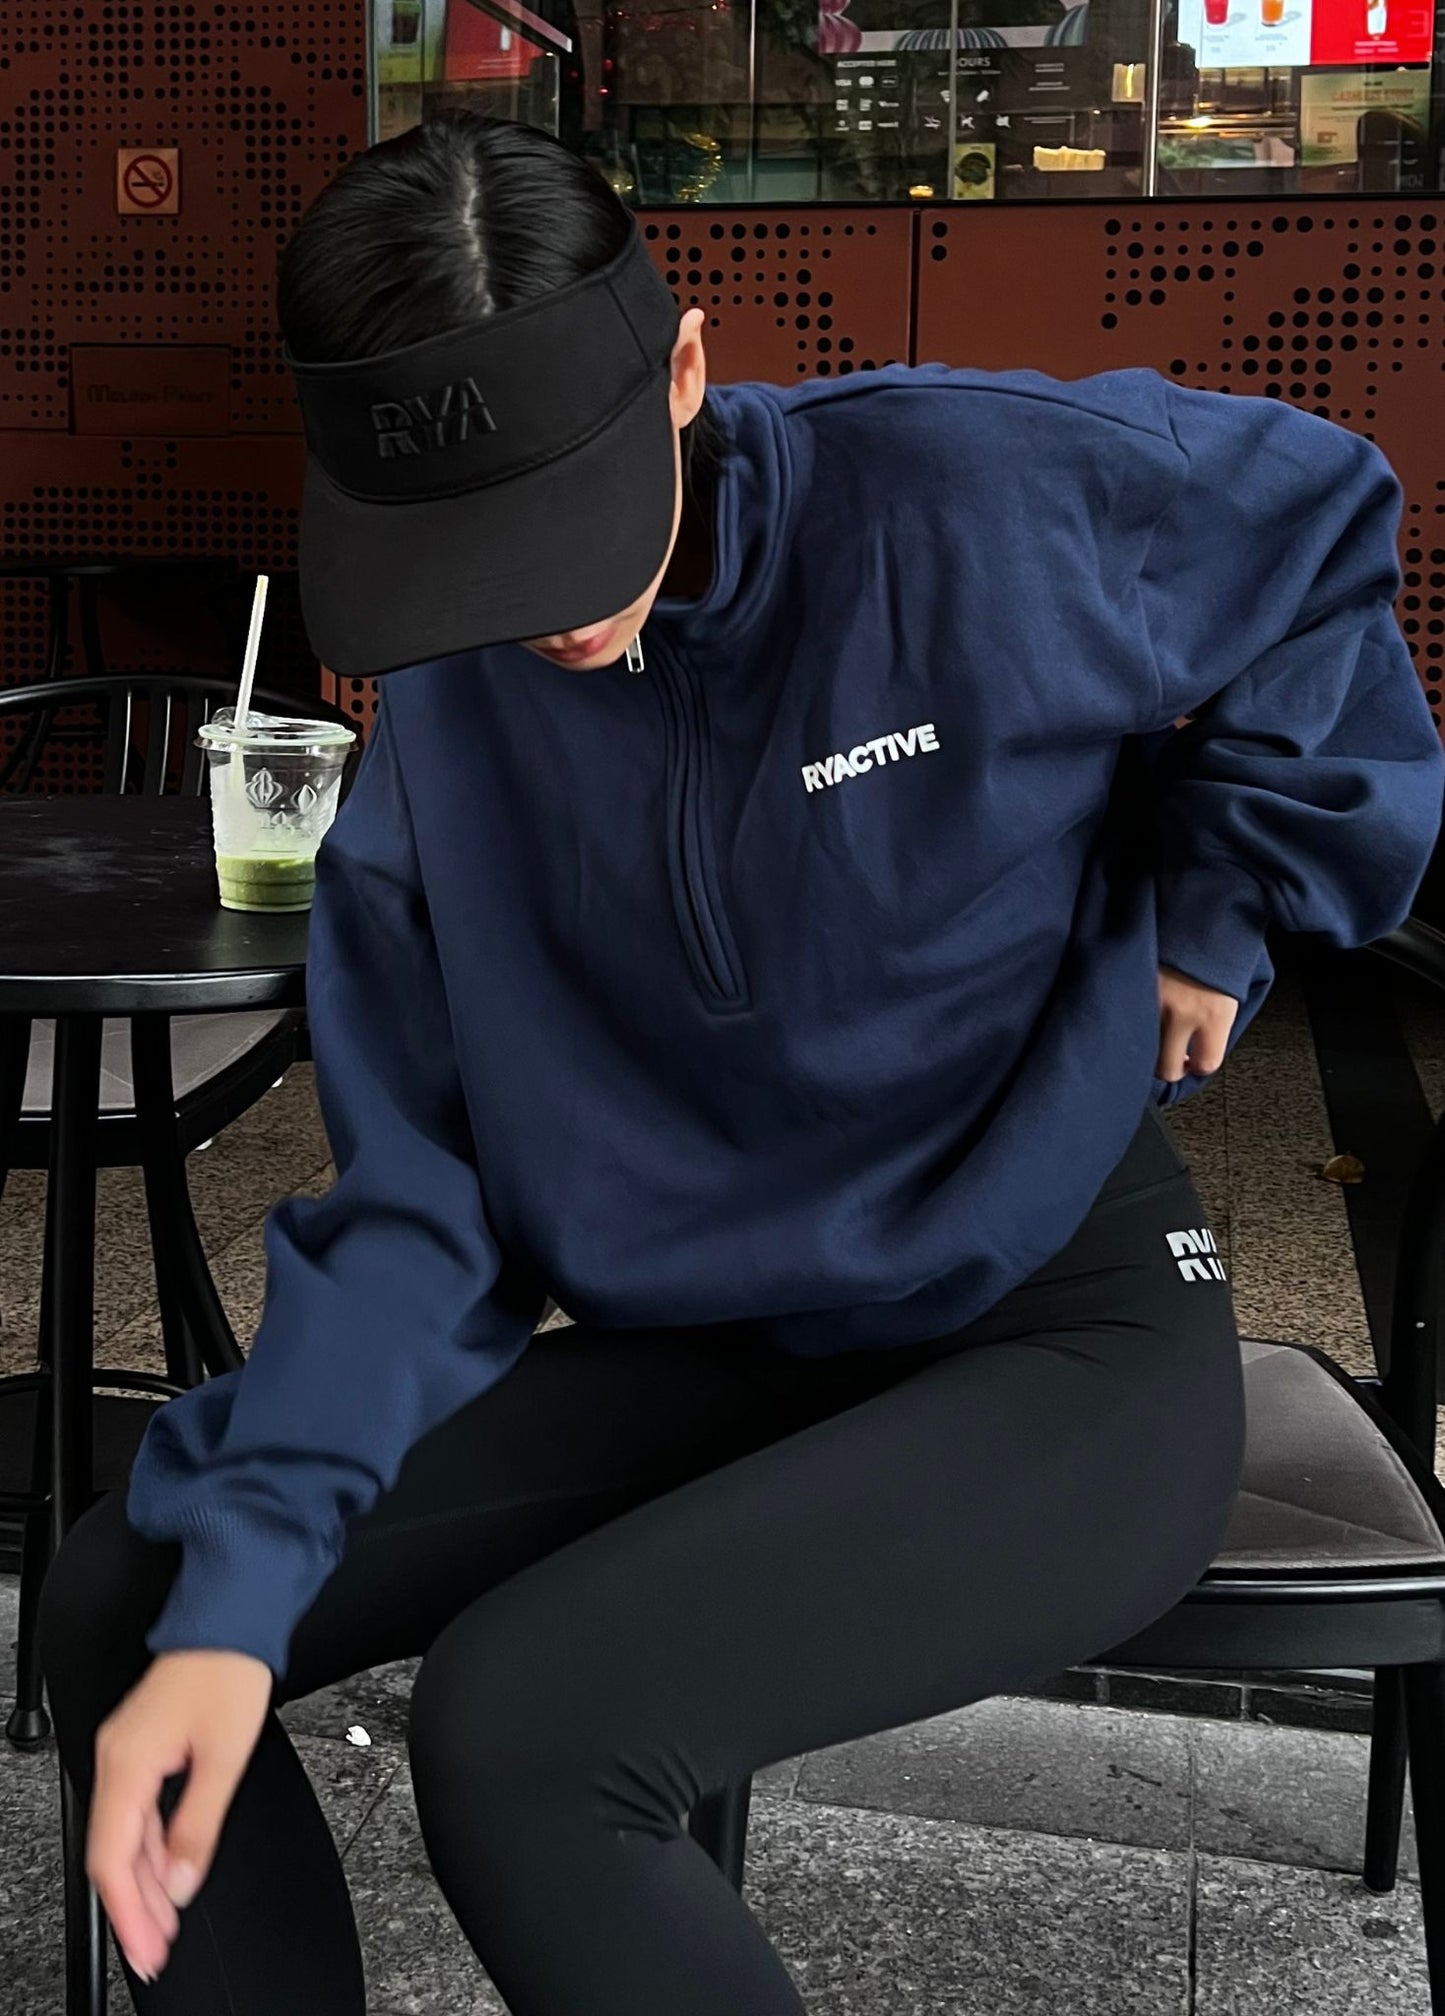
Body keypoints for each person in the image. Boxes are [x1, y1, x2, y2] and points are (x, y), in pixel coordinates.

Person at [40, 113, 1443, 2016]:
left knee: (528, 1731)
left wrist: (1223, 893)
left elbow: (1320, 524)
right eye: (470, 555)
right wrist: (244, 1588)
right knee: (138, 1597)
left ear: (686, 367)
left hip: (1055, 1323)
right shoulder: (450, 717)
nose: (545, 606)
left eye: (566, 517)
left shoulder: (973, 492)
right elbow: (419, 1209)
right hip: (719, 1340)